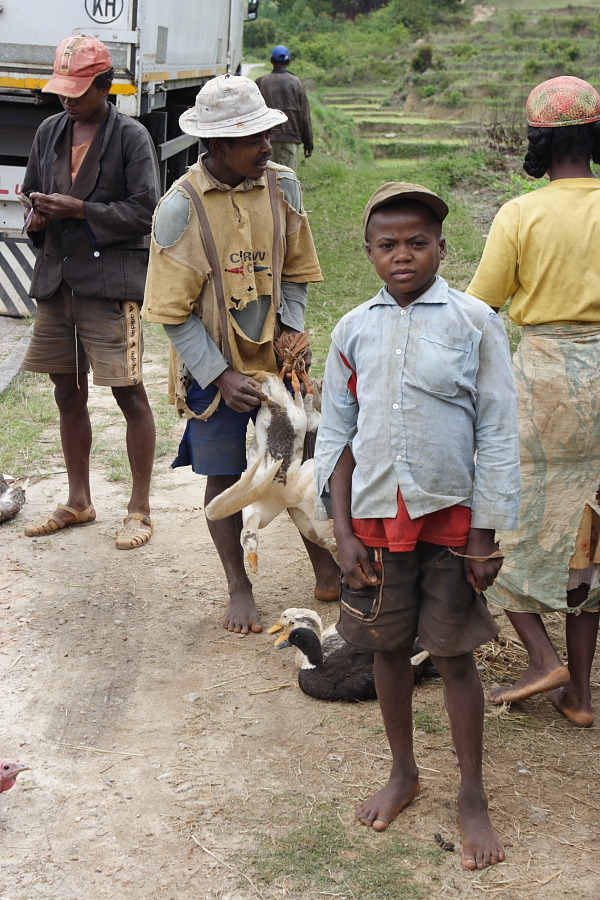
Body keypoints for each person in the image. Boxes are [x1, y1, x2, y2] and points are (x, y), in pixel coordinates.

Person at [313, 182, 520, 869]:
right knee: (385, 650)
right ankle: (403, 770)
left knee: (454, 655)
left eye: (418, 243)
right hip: (373, 526)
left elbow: (496, 426)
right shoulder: (352, 329)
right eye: (387, 245)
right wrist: (341, 535)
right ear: (369, 251)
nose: (403, 256)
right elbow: (337, 436)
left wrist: (486, 532)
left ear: (441, 247)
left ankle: (472, 793)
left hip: (452, 521)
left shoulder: (473, 321)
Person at [142, 74, 339, 635]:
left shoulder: (284, 187)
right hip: (216, 371)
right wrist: (220, 374)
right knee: (225, 473)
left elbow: (297, 274)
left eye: (266, 133)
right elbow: (172, 313)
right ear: (217, 147)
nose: (267, 146)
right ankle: (239, 587)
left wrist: (290, 330)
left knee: (302, 463)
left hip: (281, 365)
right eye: (252, 138)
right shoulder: (178, 209)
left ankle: (326, 567)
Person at [467, 76, 600, 727]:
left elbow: (480, 305)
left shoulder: (521, 215)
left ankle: (541, 655)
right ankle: (579, 695)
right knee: (591, 530)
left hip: (545, 378)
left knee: (511, 516)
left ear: (537, 142)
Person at [20, 35, 160, 549]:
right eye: (63, 90)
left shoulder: (131, 137)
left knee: (128, 393)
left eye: (78, 91)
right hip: (57, 281)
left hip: (108, 284)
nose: (67, 100)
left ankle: (139, 509)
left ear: (106, 86)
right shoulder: (49, 131)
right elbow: (34, 190)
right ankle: (79, 500)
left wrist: (81, 210)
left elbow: (146, 212)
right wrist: (37, 210)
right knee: (66, 392)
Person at [255, 45, 313, 171]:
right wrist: (308, 144)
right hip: (291, 138)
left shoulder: (261, 82)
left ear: (271, 60)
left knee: (268, 178)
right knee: (288, 178)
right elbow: (305, 116)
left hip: (267, 139)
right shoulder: (297, 83)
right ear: (288, 61)